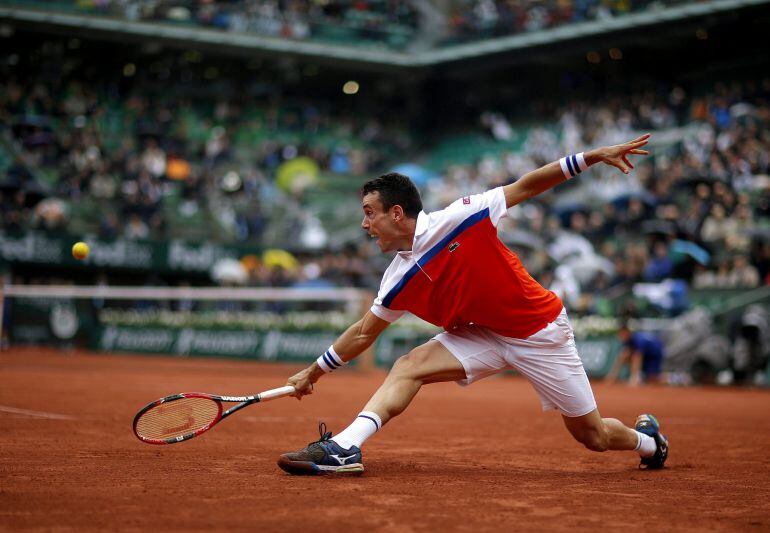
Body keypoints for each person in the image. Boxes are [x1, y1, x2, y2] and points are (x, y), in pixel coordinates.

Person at [278, 134, 669, 475]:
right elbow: (364, 332)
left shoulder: (463, 215)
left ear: (397, 214)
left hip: (539, 332)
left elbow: (527, 186)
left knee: (593, 436)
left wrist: (592, 157)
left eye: (369, 214)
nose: (364, 225)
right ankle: (346, 447)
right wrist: (314, 371)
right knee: (408, 366)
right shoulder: (396, 279)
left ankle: (649, 442)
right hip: (478, 335)